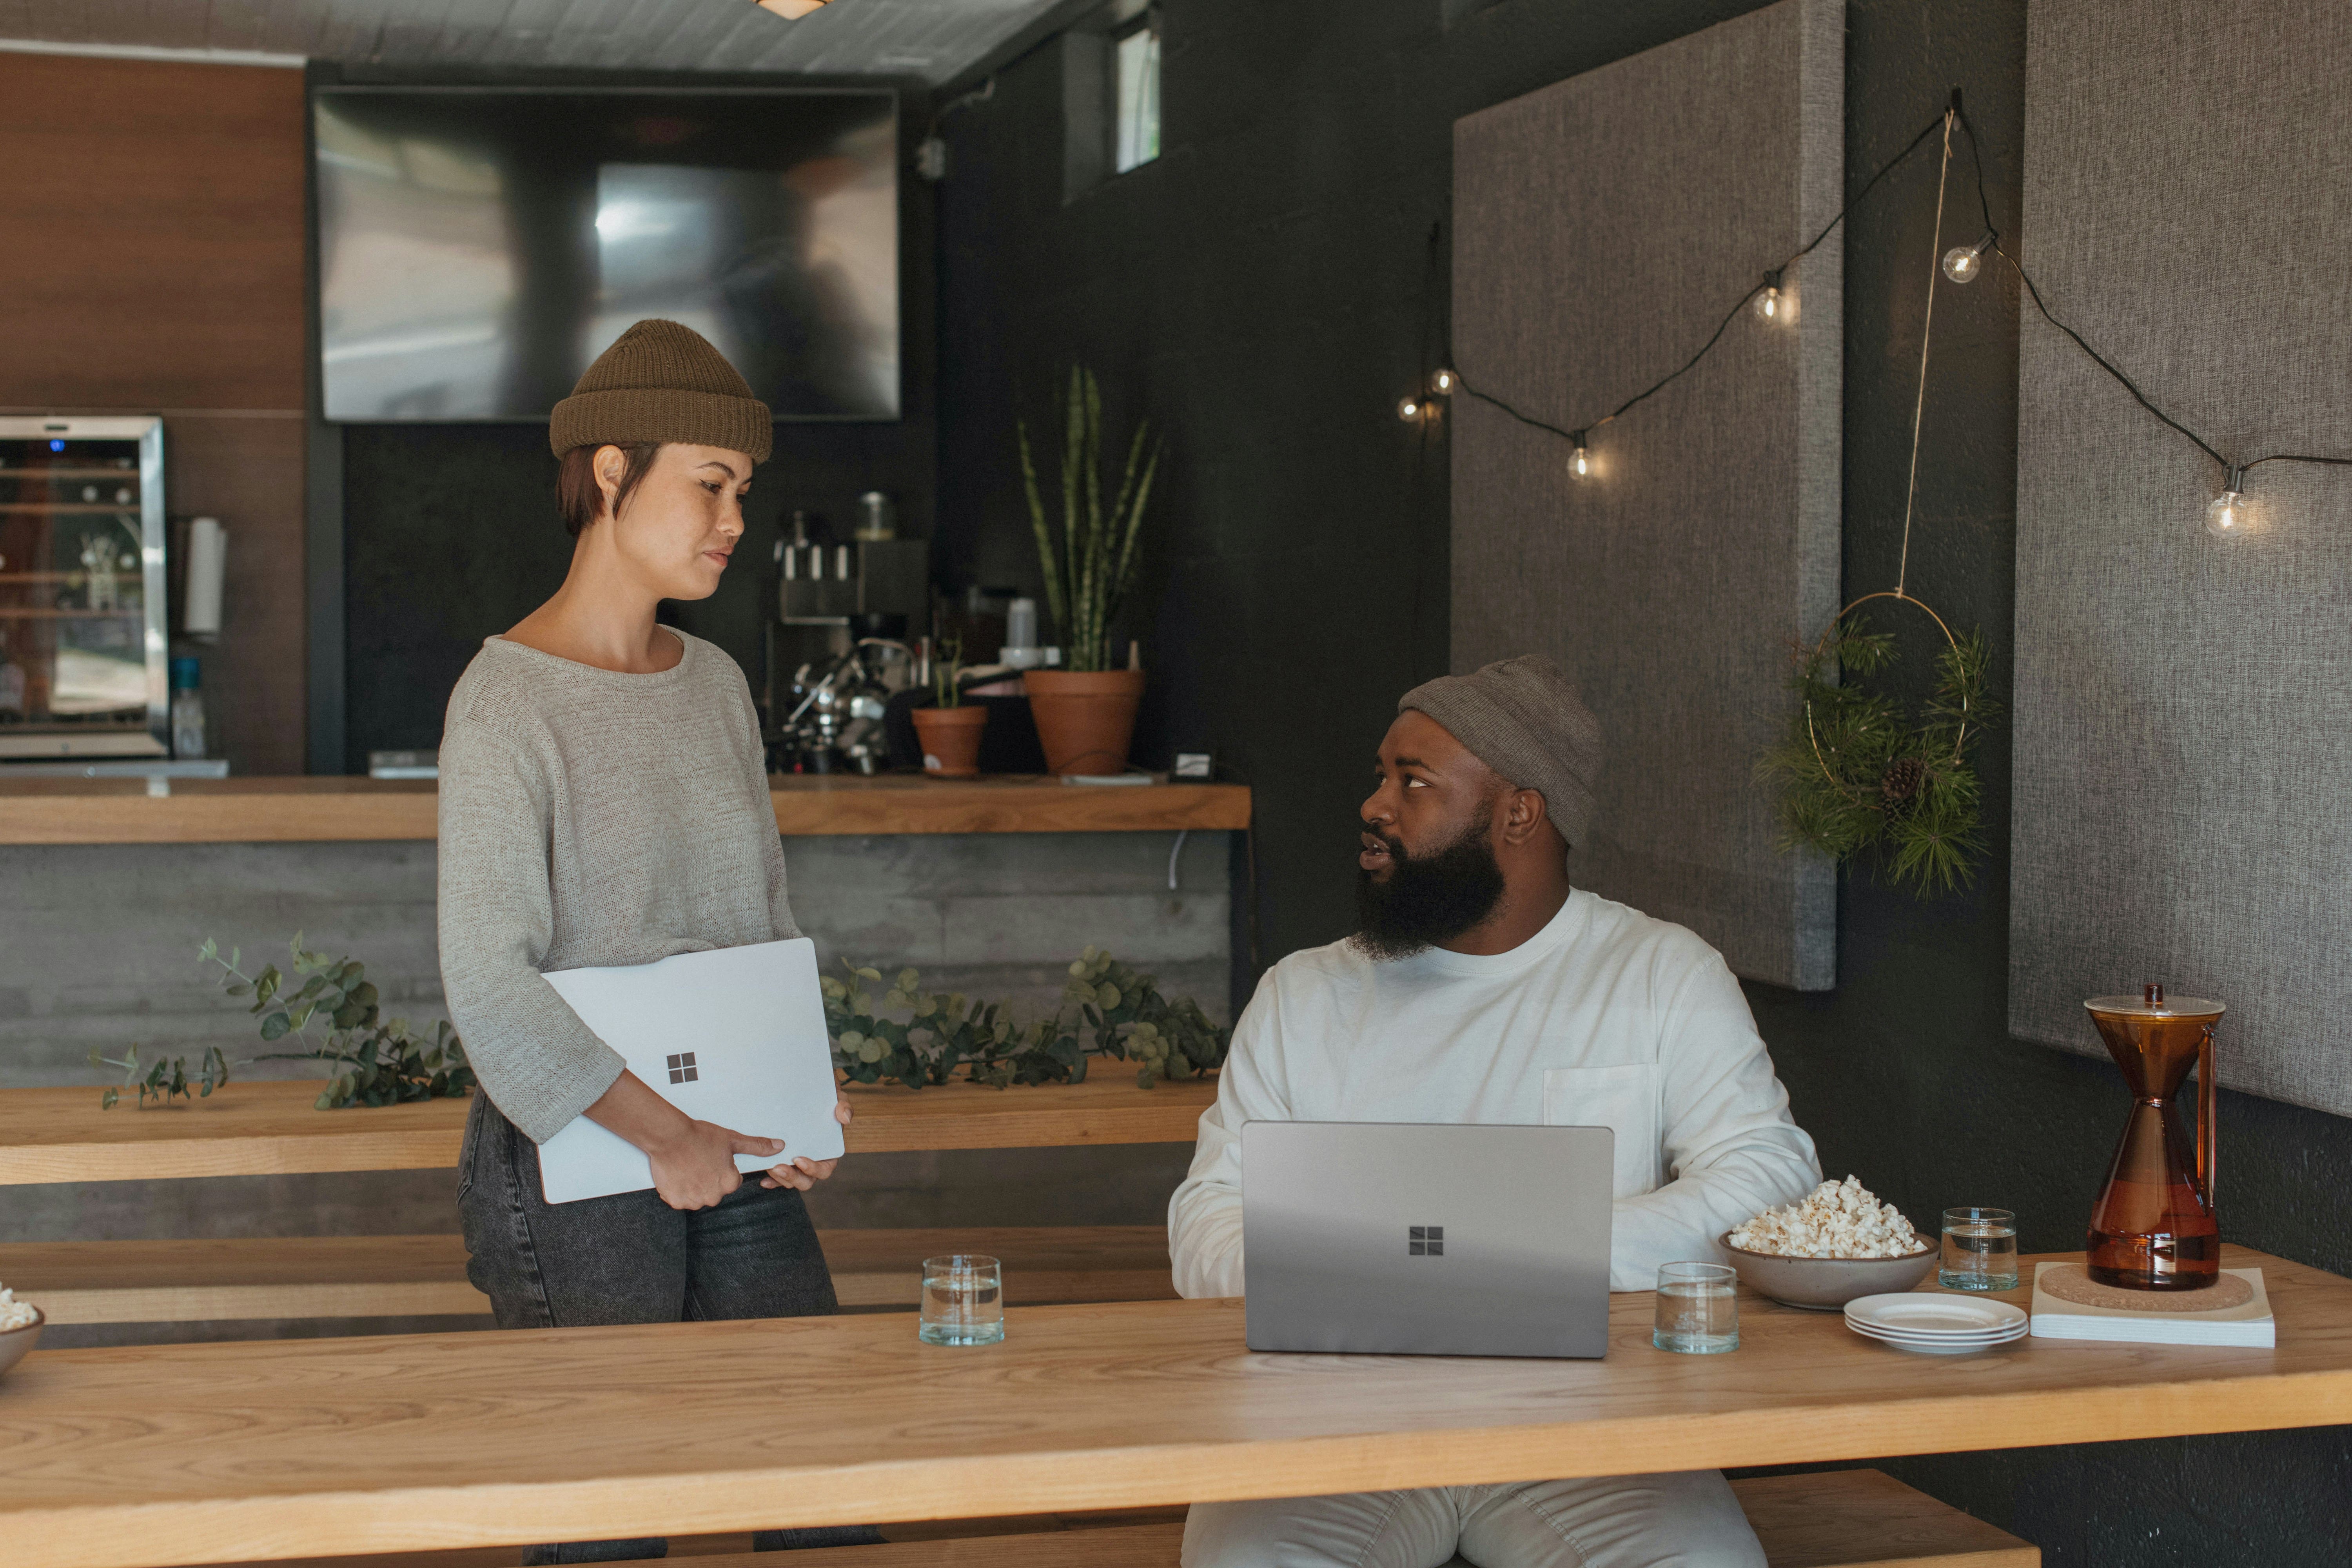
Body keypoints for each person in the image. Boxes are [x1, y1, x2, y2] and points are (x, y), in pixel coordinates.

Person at [1169, 654, 1821, 1568]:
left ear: (1519, 810)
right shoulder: (1305, 995)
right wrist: (1447, 1263)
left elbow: (1774, 1184)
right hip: (1336, 1431)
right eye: (1381, 775)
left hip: (1595, 1433)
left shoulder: (1660, 973)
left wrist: (1517, 1250)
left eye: (1415, 781)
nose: (1375, 804)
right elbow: (1205, 1224)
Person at [437, 319, 874, 1562]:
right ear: (614, 473)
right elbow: (488, 980)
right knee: (610, 1521)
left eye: (745, 490)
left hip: (725, 1138)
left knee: (821, 1487)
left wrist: (801, 1095)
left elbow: (758, 925)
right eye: (711, 483)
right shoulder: (505, 699)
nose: (736, 517)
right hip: (572, 1147)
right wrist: (667, 1133)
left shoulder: (719, 681)